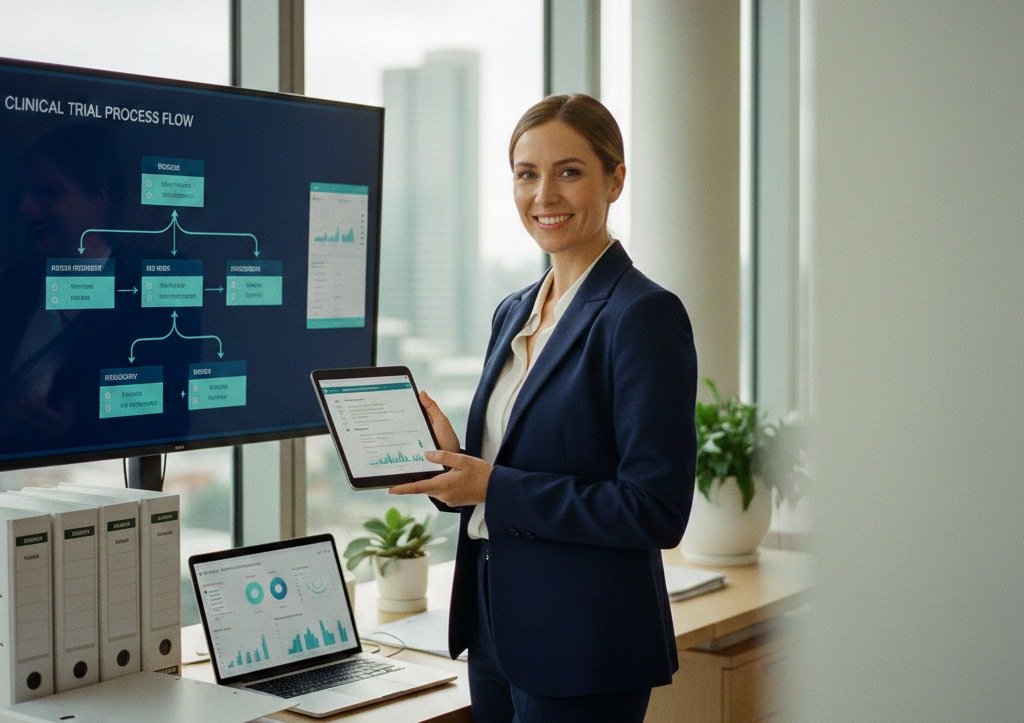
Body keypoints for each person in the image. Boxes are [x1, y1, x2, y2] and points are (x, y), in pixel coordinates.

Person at [390, 93, 698, 722]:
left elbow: (656, 510)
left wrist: (493, 486)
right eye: (527, 174)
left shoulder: (642, 315)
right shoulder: (515, 310)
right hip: (495, 631)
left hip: (584, 647)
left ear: (615, 180)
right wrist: (460, 464)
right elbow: (518, 465)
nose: (544, 195)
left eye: (569, 172)